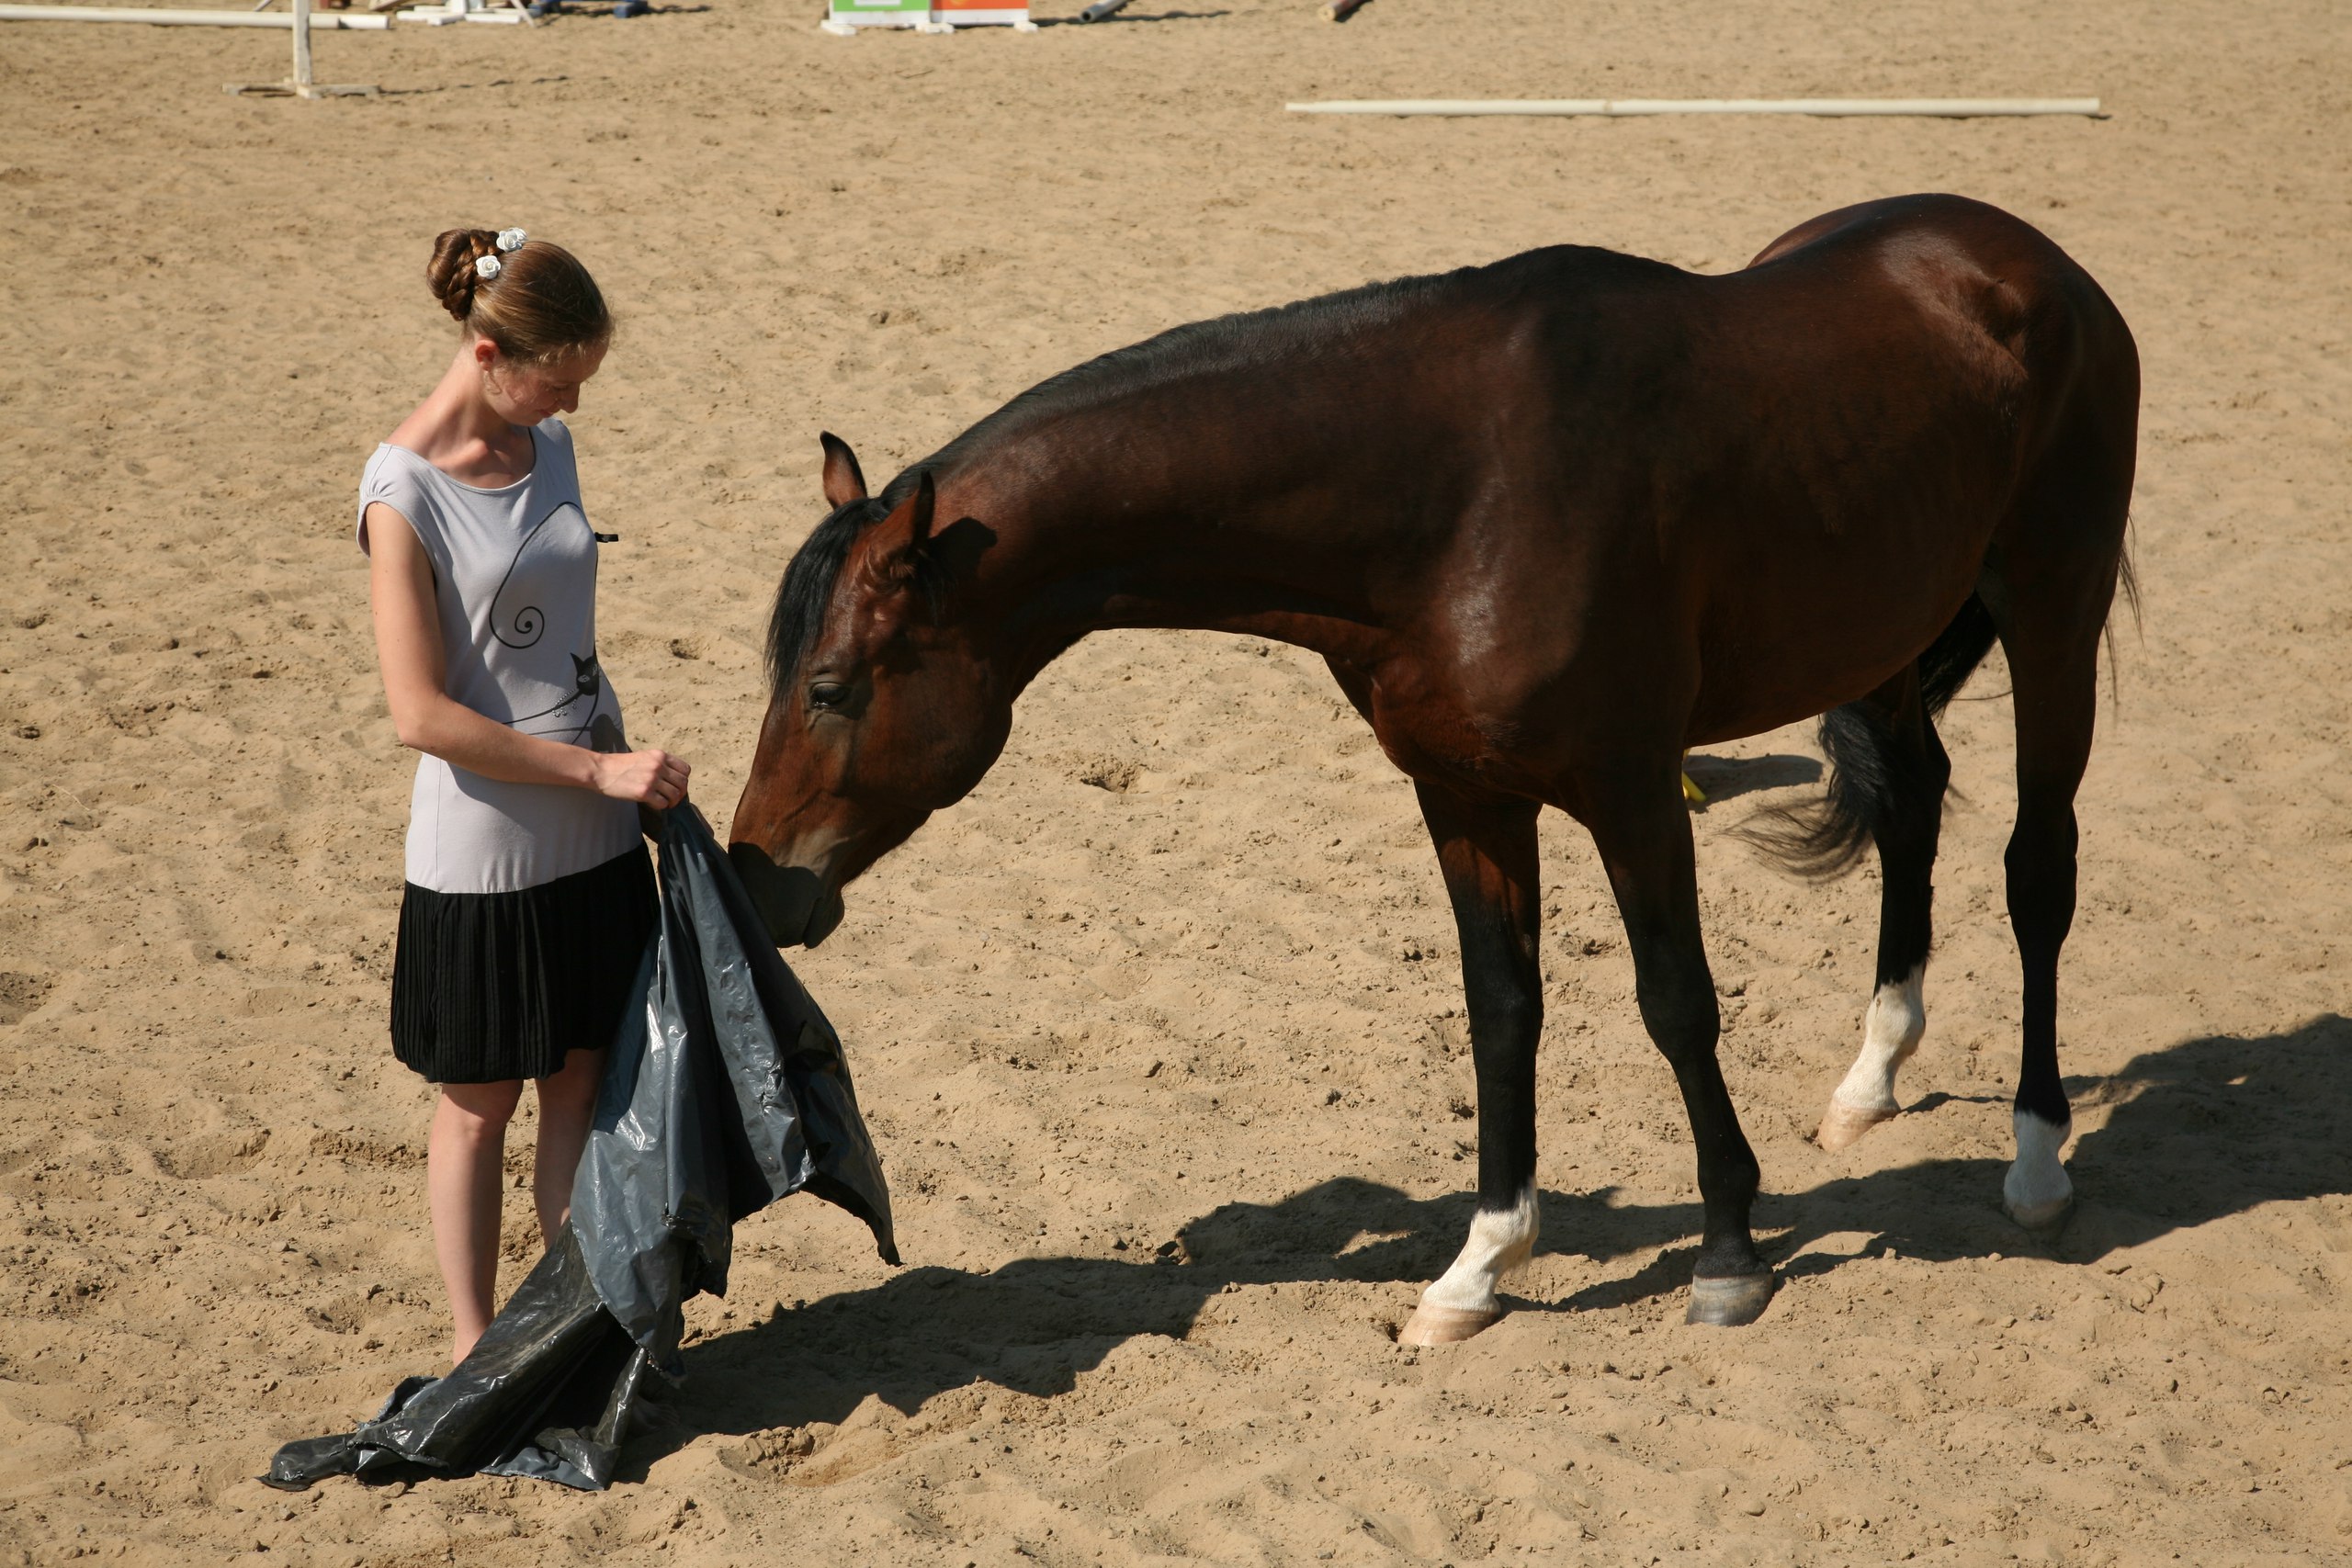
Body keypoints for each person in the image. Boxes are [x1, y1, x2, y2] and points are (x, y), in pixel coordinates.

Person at [359, 226, 687, 1367]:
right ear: (491, 352)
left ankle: (575, 1328)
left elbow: (570, 649)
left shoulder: (546, 444)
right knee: (477, 1107)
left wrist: (626, 763)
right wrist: (594, 769)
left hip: (593, 829)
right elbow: (422, 715)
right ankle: (474, 1349)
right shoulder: (401, 491)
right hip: (485, 849)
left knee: (581, 1085)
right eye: (559, 383)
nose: (572, 410)